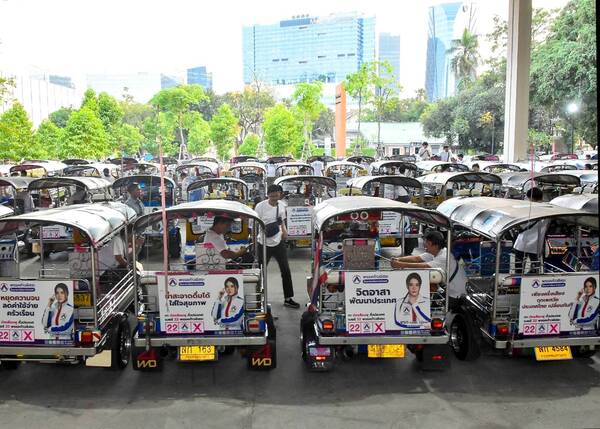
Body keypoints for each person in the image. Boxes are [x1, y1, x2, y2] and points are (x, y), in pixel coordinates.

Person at [391, 230, 467, 306]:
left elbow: (424, 266)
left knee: (437, 307)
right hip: (448, 288)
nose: (425, 246)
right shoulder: (436, 251)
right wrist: (398, 259)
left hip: (456, 292)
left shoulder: (444, 256)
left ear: (435, 245)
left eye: (428, 243)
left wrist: (400, 265)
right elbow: (417, 258)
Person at [255, 184, 299, 308]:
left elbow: (281, 221)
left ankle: (288, 298)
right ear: (268, 195)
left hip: (278, 242)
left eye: (276, 195)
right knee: (260, 272)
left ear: (280, 194)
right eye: (272, 196)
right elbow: (254, 224)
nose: (274, 198)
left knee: (286, 270)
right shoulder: (260, 206)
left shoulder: (282, 205)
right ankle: (258, 298)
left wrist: (284, 231)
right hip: (263, 243)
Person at [513, 187, 548, 273]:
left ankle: (519, 280)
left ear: (531, 198)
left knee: (519, 269)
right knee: (535, 270)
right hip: (536, 246)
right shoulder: (549, 209)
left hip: (522, 243)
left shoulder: (526, 208)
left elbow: (519, 225)